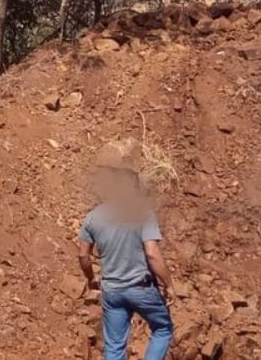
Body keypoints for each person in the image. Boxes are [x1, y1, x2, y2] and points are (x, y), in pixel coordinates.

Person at [77, 138, 175, 360]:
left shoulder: (92, 217)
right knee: (163, 328)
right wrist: (168, 284)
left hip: (112, 291)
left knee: (114, 346)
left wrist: (91, 278)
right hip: (140, 288)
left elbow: (83, 256)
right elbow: (152, 253)